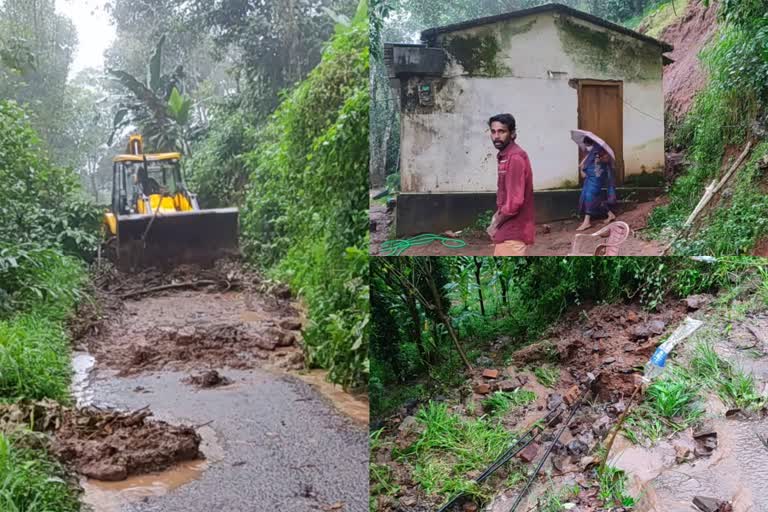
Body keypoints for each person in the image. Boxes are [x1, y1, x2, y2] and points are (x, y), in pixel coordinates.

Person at [485, 113, 535, 256]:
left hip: (513, 233)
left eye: (502, 131)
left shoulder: (514, 158)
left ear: (512, 134)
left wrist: (495, 224)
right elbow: (507, 198)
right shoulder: (505, 156)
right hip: (508, 231)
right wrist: (496, 216)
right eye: (493, 131)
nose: (496, 136)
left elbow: (514, 203)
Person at [577, 137, 617, 231]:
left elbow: (607, 160)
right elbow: (582, 165)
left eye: (588, 145)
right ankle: (610, 215)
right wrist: (582, 164)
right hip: (590, 178)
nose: (587, 147)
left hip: (597, 178)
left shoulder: (599, 151)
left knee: (589, 196)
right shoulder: (590, 153)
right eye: (586, 145)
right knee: (596, 198)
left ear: (592, 144)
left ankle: (587, 222)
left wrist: (600, 159)